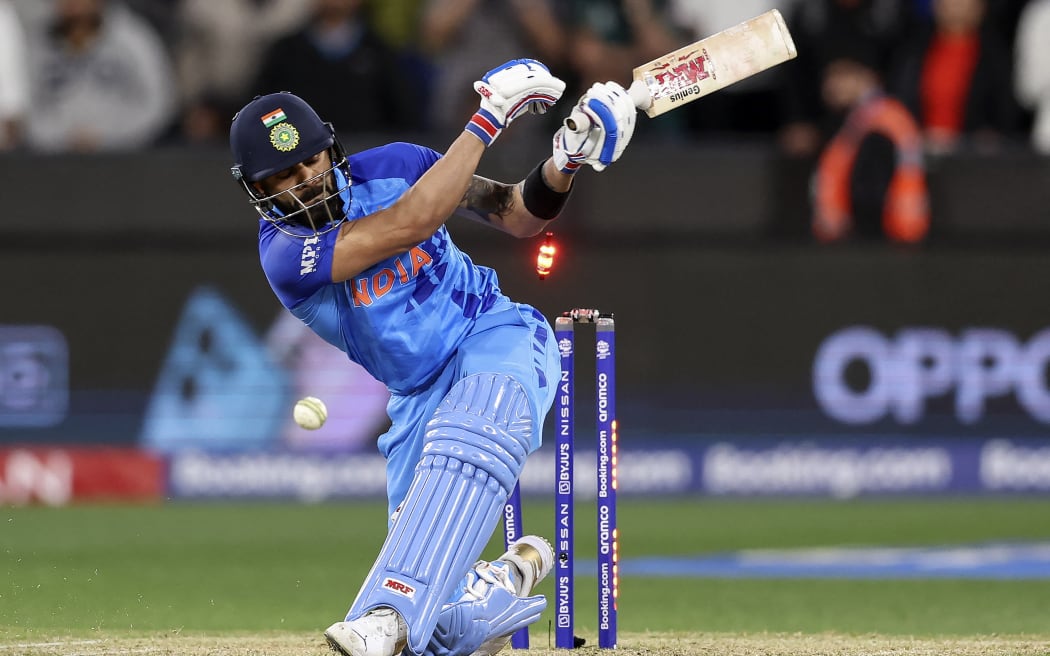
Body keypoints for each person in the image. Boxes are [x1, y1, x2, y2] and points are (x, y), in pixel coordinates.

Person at [228, 59, 637, 656]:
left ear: (329, 151)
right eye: (282, 176)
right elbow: (409, 225)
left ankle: (385, 614)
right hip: (419, 398)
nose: (305, 181)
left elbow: (520, 214)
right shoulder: (285, 255)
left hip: (496, 334)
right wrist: (487, 119)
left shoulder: (398, 165)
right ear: (258, 190)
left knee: (478, 415)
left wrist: (566, 160)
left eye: (309, 162)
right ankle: (500, 585)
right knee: (438, 638)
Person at [811, 43, 930, 243]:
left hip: (880, 241)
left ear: (868, 76)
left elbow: (874, 191)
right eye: (830, 77)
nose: (832, 85)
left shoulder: (882, 126)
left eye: (842, 76)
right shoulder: (854, 120)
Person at [21, 0, 176, 152]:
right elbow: (23, 108)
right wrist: (62, 138)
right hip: (50, 161)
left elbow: (158, 102)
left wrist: (109, 137)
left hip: (127, 157)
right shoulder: (35, 44)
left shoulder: (133, 37)